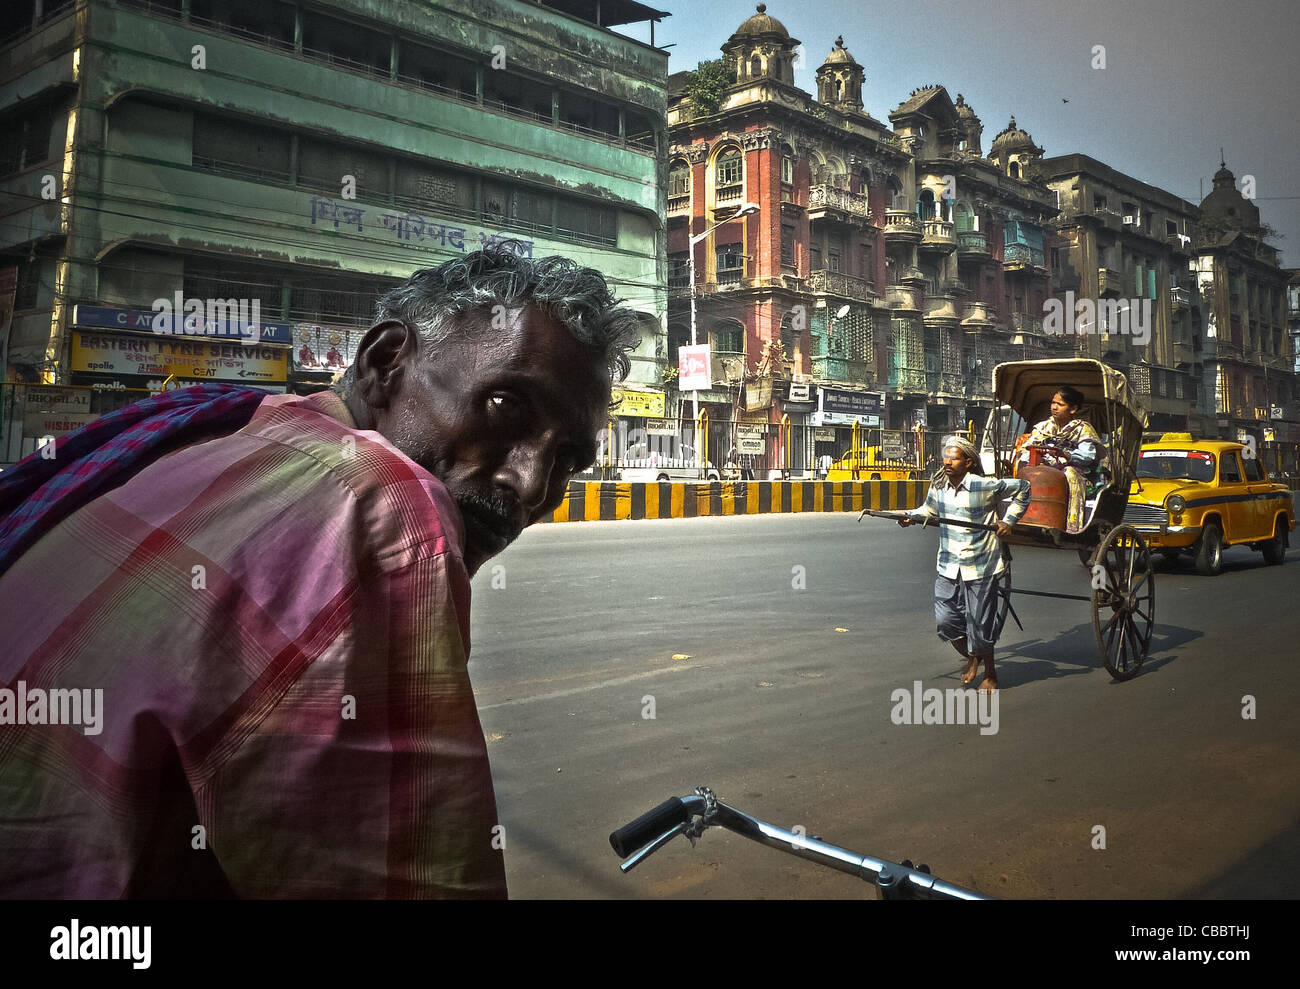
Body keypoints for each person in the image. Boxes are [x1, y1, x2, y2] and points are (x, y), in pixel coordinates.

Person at [0, 247, 639, 898]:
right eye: (506, 405)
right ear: (386, 362)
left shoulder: (218, 439)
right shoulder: (383, 504)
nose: (528, 484)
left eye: (566, 458)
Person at [897, 436, 1031, 692]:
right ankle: (973, 655)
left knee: (980, 623)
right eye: (945, 457)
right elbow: (928, 510)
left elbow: (1024, 488)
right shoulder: (938, 487)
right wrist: (909, 517)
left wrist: (1008, 521)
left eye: (954, 458)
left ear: (968, 462)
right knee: (945, 620)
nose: (947, 462)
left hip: (981, 563)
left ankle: (990, 673)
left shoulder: (985, 486)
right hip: (948, 562)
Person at [1020, 385, 1104, 534]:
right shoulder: (1042, 427)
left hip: (1076, 474)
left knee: (1069, 473)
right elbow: (1026, 451)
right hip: (1044, 470)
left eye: (1060, 404)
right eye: (1053, 403)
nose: (1054, 407)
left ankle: (1073, 526)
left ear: (1072, 409)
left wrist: (1067, 455)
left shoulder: (1082, 429)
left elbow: (1088, 456)